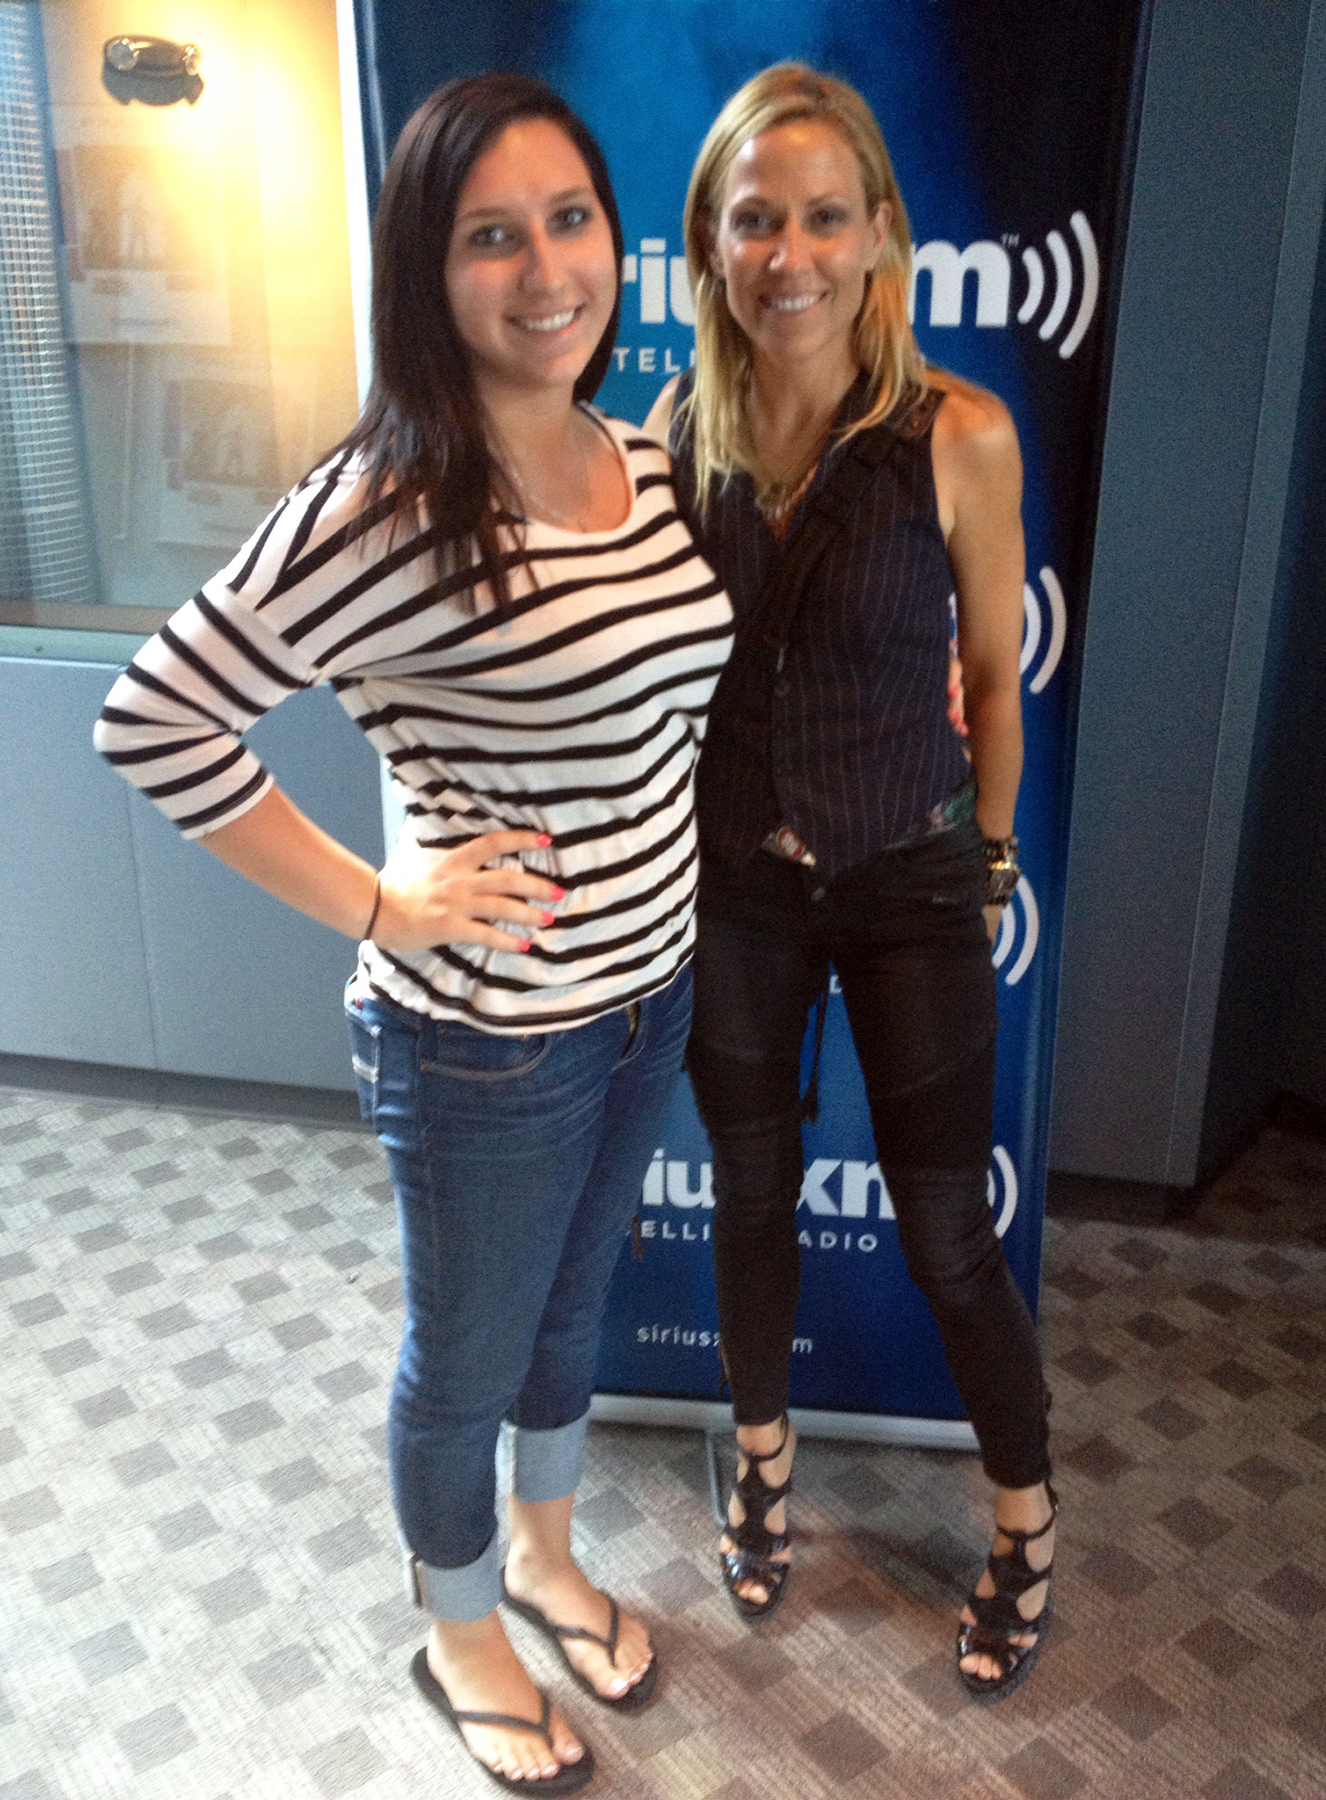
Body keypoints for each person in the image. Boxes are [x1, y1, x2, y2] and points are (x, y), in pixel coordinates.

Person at [96, 74, 732, 1791]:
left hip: (645, 993)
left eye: (569, 220)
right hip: (483, 1039)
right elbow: (155, 718)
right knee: (464, 1364)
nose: (545, 269)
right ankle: (456, 1628)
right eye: (489, 237)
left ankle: (542, 1558)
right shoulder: (385, 503)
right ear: (425, 272)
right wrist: (383, 899)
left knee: (567, 1316)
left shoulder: (640, 454)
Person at [647, 63, 1055, 1701]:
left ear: (881, 231)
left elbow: (992, 674)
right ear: (710, 241)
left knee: (947, 1231)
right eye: (756, 220)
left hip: (905, 875)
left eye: (825, 217)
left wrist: (990, 855)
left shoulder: (961, 434)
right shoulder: (674, 434)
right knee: (749, 1194)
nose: (790, 254)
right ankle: (759, 1463)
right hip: (735, 884)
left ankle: (1025, 1520)